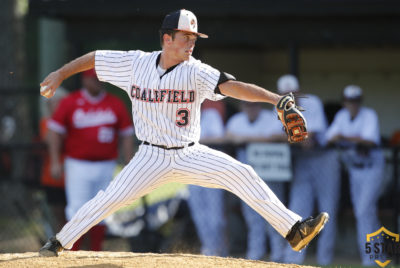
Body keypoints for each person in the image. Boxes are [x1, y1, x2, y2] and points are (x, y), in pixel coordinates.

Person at [38, 9, 328, 257]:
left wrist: (275, 99)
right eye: (185, 37)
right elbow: (95, 58)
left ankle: (293, 230)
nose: (191, 43)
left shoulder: (196, 71)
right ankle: (59, 242)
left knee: (242, 174)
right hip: (149, 157)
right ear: (167, 38)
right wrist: (61, 74)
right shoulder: (135, 63)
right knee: (109, 199)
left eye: (194, 38)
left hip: (190, 153)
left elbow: (231, 85)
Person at [46, 69, 134, 251]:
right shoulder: (70, 102)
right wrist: (55, 161)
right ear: (85, 80)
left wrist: (128, 161)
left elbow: (126, 133)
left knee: (103, 208)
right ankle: (73, 252)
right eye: (94, 79)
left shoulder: (114, 103)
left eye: (101, 79)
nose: (98, 82)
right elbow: (54, 131)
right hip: (77, 164)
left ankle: (96, 251)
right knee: (77, 208)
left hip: (106, 164)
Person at [277, 75, 341, 265]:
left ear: (299, 91)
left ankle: (324, 260)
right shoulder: (280, 106)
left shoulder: (312, 102)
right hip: (303, 160)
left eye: (293, 93)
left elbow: (309, 135)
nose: (290, 96)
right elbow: (287, 137)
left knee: (328, 209)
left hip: (324, 158)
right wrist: (297, 138)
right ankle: (292, 259)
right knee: (297, 208)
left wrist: (294, 137)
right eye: (285, 94)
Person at [325, 85, 384, 266]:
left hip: (372, 169)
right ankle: (378, 257)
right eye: (349, 101)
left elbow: (369, 140)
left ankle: (370, 261)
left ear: (360, 101)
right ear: (344, 102)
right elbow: (329, 137)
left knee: (363, 211)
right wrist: (350, 138)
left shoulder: (369, 115)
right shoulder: (342, 116)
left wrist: (343, 137)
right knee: (367, 214)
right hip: (354, 170)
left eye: (355, 101)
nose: (352, 104)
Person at [226, 101, 286, 261]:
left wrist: (246, 139)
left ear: (260, 106)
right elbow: (228, 136)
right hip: (246, 176)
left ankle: (278, 255)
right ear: (242, 106)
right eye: (248, 105)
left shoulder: (270, 118)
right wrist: (258, 139)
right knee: (252, 217)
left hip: (269, 173)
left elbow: (280, 136)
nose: (251, 108)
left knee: (274, 214)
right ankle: (255, 255)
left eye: (255, 105)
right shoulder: (237, 120)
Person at [187, 105, 228, 256]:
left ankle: (221, 250)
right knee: (198, 215)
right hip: (190, 172)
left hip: (211, 171)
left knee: (215, 217)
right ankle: (209, 249)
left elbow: (219, 138)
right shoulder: (180, 114)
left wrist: (192, 142)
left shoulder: (210, 114)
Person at [39, 87, 69, 233]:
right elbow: (50, 139)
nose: (59, 105)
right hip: (53, 178)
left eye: (62, 102)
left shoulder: (73, 121)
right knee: (60, 218)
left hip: (72, 177)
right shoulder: (46, 123)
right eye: (55, 103)